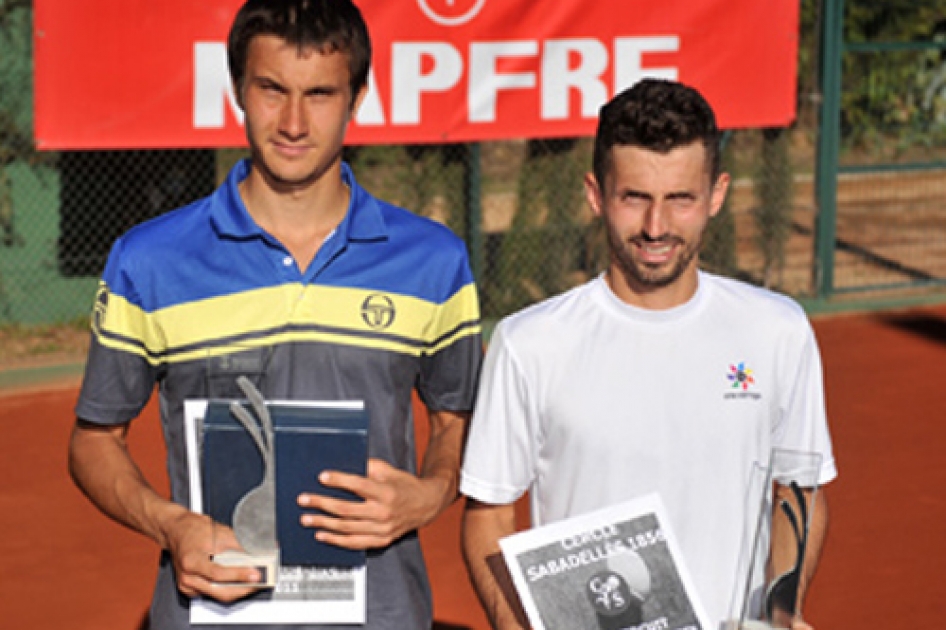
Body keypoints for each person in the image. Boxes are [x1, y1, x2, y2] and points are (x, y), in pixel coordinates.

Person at [68, 1, 482, 628]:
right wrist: (170, 523)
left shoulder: (434, 260)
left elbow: (458, 420)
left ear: (357, 97)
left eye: (319, 93)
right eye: (271, 90)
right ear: (238, 89)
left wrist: (427, 493)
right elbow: (94, 440)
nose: (293, 121)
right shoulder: (148, 261)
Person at [459, 78, 836, 630]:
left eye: (680, 199)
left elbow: (798, 489)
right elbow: (488, 516)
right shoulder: (528, 344)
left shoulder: (778, 331)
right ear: (596, 195)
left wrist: (783, 611)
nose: (656, 227)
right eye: (634, 198)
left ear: (717, 194)